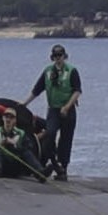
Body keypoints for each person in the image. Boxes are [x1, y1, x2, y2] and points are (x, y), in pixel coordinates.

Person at [25, 44, 83, 180]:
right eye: (55, 56)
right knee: (50, 134)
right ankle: (51, 161)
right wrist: (25, 103)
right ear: (52, 57)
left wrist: (67, 106)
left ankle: (63, 168)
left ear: (64, 56)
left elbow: (77, 91)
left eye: (60, 56)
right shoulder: (47, 71)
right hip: (53, 110)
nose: (58, 59)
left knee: (66, 139)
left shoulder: (72, 71)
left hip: (68, 110)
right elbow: (37, 90)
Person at [0, 108, 44, 179]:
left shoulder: (21, 133)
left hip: (16, 165)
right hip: (2, 164)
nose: (8, 120)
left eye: (11, 117)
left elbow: (29, 148)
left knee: (26, 153)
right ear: (3, 118)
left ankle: (40, 173)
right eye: (6, 117)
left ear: (15, 120)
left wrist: (15, 145)